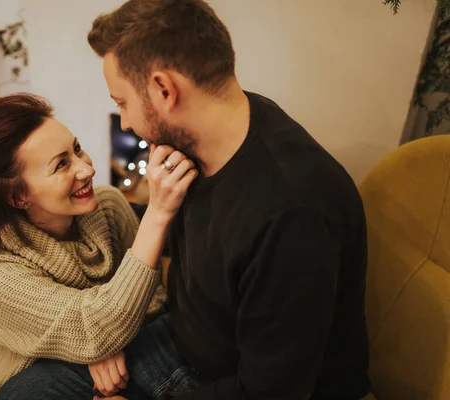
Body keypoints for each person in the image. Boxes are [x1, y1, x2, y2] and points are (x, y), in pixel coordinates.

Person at [86, 0, 372, 399]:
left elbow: (271, 391)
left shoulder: (293, 214)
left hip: (238, 382)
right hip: (188, 341)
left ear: (165, 90)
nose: (126, 123)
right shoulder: (207, 133)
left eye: (122, 103)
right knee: (27, 390)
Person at [0, 93, 198, 400]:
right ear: (17, 197)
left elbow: (152, 300)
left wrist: (105, 342)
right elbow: (92, 329)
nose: (86, 169)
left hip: (124, 349)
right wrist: (157, 214)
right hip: (43, 369)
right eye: (61, 165)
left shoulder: (107, 205)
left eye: (77, 149)